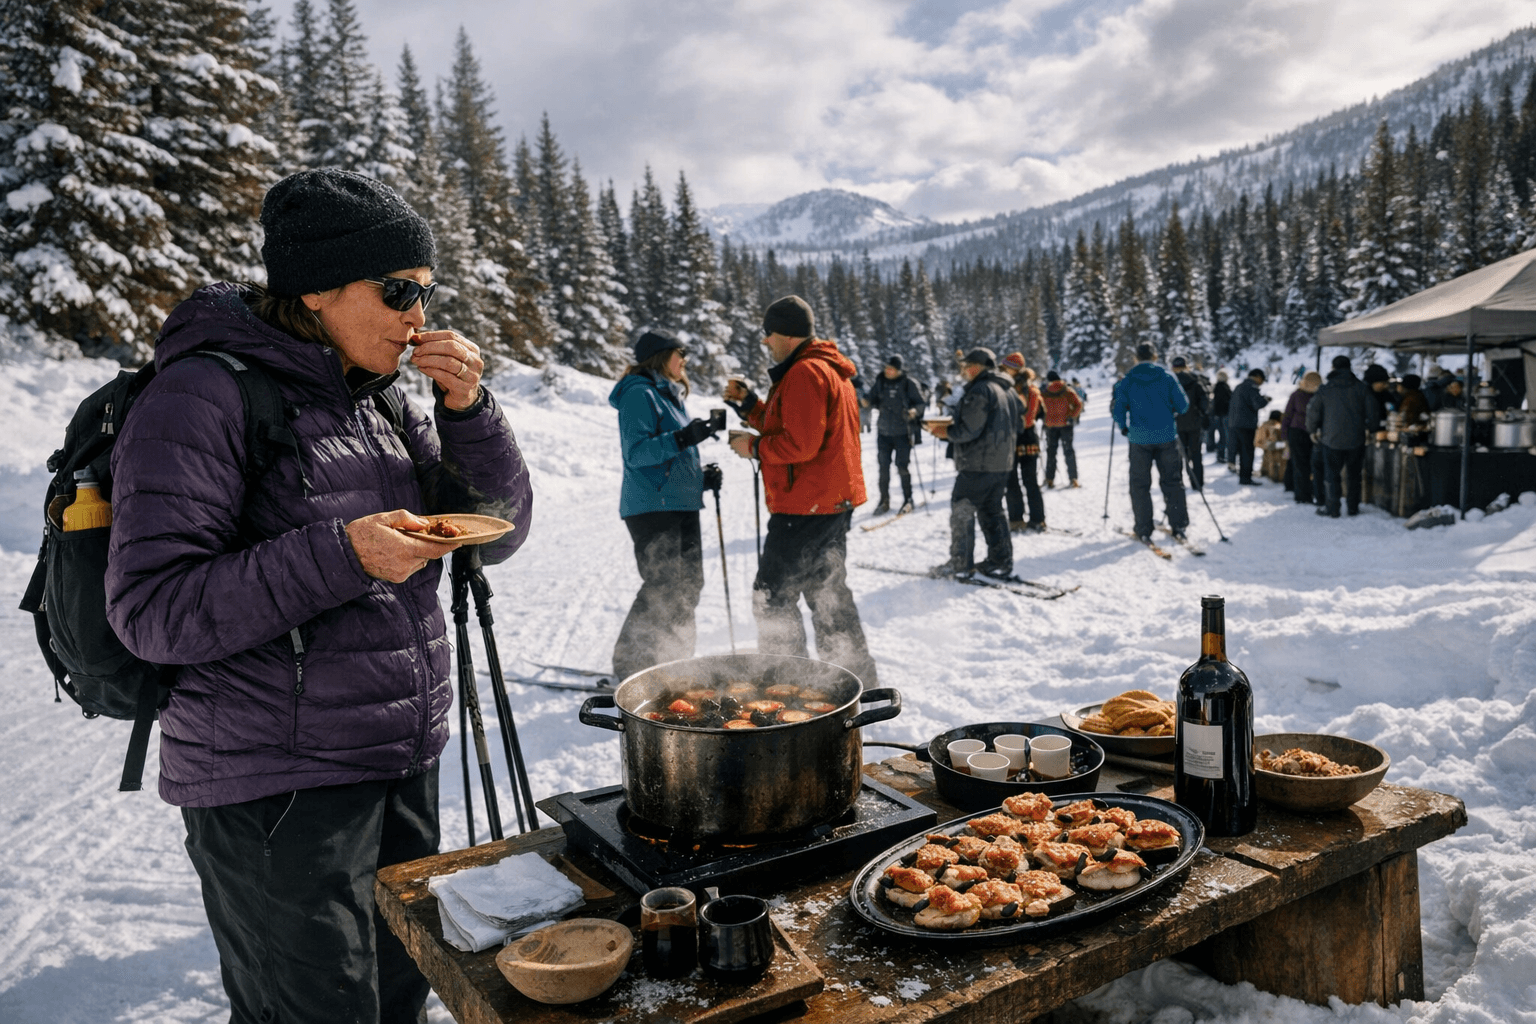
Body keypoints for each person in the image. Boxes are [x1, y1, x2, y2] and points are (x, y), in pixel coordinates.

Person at [103, 168, 532, 1024]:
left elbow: (497, 531)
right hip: (275, 790)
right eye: (400, 289)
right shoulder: (202, 393)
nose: (420, 313)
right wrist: (345, 555)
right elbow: (152, 609)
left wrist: (470, 410)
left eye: (428, 290)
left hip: (397, 761)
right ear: (317, 289)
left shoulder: (381, 401)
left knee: (401, 995)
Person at [725, 295, 877, 685]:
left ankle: (787, 686)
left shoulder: (805, 373)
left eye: (768, 334)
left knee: (772, 597)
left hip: (807, 506)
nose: (765, 342)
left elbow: (801, 444)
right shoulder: (825, 369)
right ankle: (853, 682)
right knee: (828, 596)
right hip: (826, 501)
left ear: (787, 335)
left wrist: (754, 447)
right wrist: (751, 406)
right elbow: (792, 426)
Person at [609, 329, 719, 682]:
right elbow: (638, 453)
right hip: (651, 506)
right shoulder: (639, 394)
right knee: (664, 585)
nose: (685, 359)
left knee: (689, 585)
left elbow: (671, 457)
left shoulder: (668, 395)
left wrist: (701, 476)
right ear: (660, 355)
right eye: (679, 352)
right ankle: (630, 668)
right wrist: (684, 437)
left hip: (679, 502)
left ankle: (672, 661)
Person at [924, 348, 1021, 577]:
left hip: (978, 463)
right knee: (992, 511)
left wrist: (945, 432)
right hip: (1002, 462)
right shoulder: (1007, 389)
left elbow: (969, 429)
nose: (963, 370)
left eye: (967, 366)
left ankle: (960, 564)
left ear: (978, 366)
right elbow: (1019, 423)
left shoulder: (980, 389)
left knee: (962, 510)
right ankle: (1000, 560)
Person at [1110, 342, 1190, 543]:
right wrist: (1169, 409)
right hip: (1166, 437)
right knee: (1172, 481)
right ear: (1155, 357)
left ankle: (1143, 527)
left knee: (1140, 484)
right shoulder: (1167, 377)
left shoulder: (1128, 380)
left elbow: (1117, 409)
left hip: (1139, 439)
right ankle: (1178, 525)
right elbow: (1183, 406)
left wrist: (1123, 426)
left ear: (1136, 357)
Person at [1307, 354, 1376, 517]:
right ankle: (1353, 508)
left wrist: (1312, 430)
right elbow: (1373, 411)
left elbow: (1313, 411)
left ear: (1333, 368)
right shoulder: (1361, 387)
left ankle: (1333, 508)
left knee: (1332, 475)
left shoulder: (1325, 389)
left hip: (1331, 439)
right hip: (1356, 439)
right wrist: (1370, 429)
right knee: (1354, 475)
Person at [863, 354, 925, 514]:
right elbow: (871, 397)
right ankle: (884, 500)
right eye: (886, 368)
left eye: (891, 368)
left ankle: (908, 499)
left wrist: (914, 411)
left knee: (902, 467)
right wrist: (866, 401)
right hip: (883, 432)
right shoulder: (880, 381)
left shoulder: (908, 383)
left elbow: (920, 403)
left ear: (898, 370)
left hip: (903, 432)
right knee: (883, 467)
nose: (887, 371)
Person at [999, 353, 1046, 531]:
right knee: (1011, 481)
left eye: (1007, 368)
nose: (1004, 371)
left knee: (1029, 480)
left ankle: (1037, 519)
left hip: (1025, 437)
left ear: (1016, 369)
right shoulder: (1004, 388)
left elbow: (1029, 418)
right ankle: (1016, 519)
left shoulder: (1031, 390)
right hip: (1011, 439)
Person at [1170, 356, 1210, 490]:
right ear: (1186, 366)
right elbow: (1205, 400)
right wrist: (1202, 413)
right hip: (1194, 423)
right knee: (1196, 454)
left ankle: (1179, 482)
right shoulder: (1195, 380)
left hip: (1176, 424)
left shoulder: (1170, 382)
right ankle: (1197, 482)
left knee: (1179, 455)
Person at [1282, 371, 1322, 505]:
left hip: (1309, 433)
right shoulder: (1298, 395)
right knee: (1302, 465)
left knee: (1309, 465)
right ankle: (1303, 495)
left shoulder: (1319, 396)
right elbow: (1287, 415)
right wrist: (1285, 436)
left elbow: (1287, 416)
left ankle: (1307, 493)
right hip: (1301, 432)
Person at [1039, 369, 1083, 488]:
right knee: (1068, 451)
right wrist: (1072, 416)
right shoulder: (1067, 390)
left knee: (1051, 452)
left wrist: (1044, 419)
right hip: (1066, 425)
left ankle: (1049, 479)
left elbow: (1039, 408)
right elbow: (1079, 404)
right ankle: (1073, 479)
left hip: (1050, 426)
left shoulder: (1045, 392)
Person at [1229, 368, 1271, 485]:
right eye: (1262, 379)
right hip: (1246, 424)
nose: (1262, 382)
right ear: (1257, 377)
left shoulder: (1239, 386)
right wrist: (1265, 400)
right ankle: (1245, 477)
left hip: (1234, 423)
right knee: (1247, 451)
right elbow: (1257, 403)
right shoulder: (1252, 387)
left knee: (1239, 449)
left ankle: (1242, 473)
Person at [1362, 364, 1394, 432]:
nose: (1386, 386)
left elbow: (1393, 410)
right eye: (1383, 383)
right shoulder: (1362, 396)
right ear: (1374, 382)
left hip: (1385, 431)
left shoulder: (1386, 395)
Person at [1209, 370, 1231, 464]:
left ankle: (1220, 455)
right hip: (1223, 415)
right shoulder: (1224, 387)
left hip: (1216, 415)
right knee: (1224, 437)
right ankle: (1221, 456)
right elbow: (1227, 401)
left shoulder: (1215, 387)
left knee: (1222, 436)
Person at [1256, 410, 1286, 481]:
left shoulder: (1264, 425)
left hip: (1268, 456)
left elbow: (1258, 442)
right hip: (1278, 456)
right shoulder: (1278, 426)